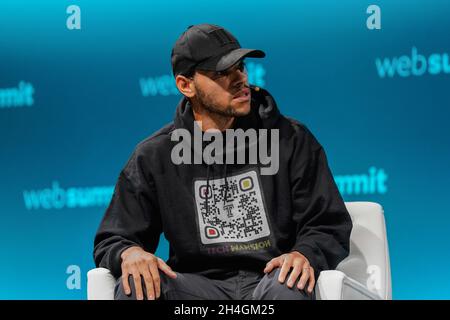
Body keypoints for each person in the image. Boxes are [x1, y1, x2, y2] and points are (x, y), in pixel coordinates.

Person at [93, 23, 352, 300]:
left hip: (271, 282)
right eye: (222, 72)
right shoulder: (154, 155)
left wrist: (305, 254)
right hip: (194, 288)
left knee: (289, 287)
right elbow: (114, 237)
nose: (239, 79)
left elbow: (327, 224)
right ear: (185, 85)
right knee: (136, 289)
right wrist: (130, 253)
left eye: (240, 67)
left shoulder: (290, 139)